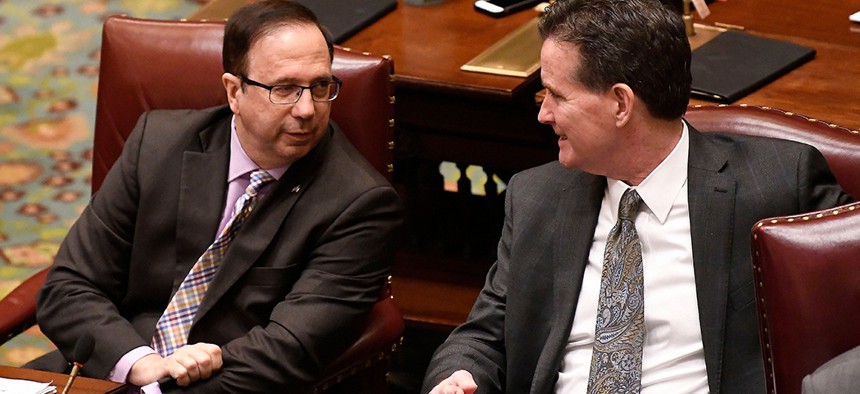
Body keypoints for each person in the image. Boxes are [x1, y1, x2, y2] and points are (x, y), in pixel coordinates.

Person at [422, 0, 852, 393]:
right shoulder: (537, 196)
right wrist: (457, 376)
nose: (542, 113)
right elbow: (484, 334)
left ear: (621, 104)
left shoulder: (776, 184)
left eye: (557, 94)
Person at [27, 1, 403, 392]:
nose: (307, 109)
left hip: (220, 383)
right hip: (108, 366)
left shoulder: (361, 203)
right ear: (234, 91)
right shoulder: (156, 144)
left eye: (321, 86)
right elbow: (69, 286)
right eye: (284, 89)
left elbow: (287, 350)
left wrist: (159, 387)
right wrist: (141, 365)